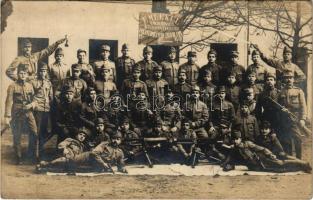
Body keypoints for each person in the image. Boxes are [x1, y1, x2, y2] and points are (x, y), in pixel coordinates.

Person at [4, 64, 38, 164]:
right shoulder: (12, 86)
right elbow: (8, 101)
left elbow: (34, 98)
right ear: (17, 74)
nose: (22, 75)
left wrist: (32, 104)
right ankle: (18, 157)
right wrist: (7, 116)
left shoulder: (30, 85)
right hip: (17, 112)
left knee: (34, 133)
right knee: (17, 134)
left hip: (28, 112)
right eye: (20, 73)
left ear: (27, 75)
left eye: (24, 73)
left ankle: (31, 155)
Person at [232, 137, 311, 173]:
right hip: (260, 165)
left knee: (281, 163)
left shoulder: (248, 144)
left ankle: (304, 164)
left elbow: (262, 149)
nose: (235, 141)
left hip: (264, 159)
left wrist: (270, 155)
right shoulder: (239, 149)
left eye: (236, 139)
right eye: (233, 140)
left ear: (240, 139)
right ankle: (301, 165)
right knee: (281, 169)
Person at [277, 70, 307, 159]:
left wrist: (303, 119)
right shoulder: (280, 92)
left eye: (290, 78)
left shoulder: (298, 91)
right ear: (283, 80)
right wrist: (281, 110)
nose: (288, 80)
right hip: (284, 119)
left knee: (297, 139)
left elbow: (303, 106)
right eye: (286, 78)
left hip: (296, 118)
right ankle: (291, 161)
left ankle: (299, 160)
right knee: (287, 140)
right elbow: (278, 107)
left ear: (293, 79)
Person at [31, 62, 53, 159]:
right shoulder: (34, 82)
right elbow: (31, 96)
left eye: (44, 71)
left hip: (46, 109)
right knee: (37, 132)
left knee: (45, 132)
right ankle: (34, 155)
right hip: (38, 109)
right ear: (38, 72)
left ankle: (41, 153)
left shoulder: (49, 83)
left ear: (46, 72)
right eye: (41, 71)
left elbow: (50, 96)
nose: (42, 73)